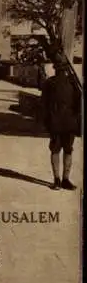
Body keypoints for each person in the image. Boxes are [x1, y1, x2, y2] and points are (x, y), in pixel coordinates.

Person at [41, 59, 80, 191]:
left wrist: (47, 121)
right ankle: (61, 180)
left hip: (62, 122)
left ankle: (60, 180)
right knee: (63, 150)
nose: (62, 72)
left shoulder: (52, 83)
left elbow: (43, 105)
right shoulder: (71, 83)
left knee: (60, 150)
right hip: (65, 122)